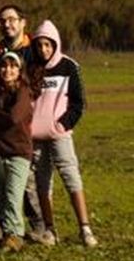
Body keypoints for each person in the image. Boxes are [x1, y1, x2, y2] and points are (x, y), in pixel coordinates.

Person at [27, 20, 98, 247]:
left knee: (70, 177)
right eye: (39, 45)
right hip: (36, 136)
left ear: (55, 44)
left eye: (48, 45)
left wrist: (63, 124)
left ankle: (85, 228)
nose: (43, 50)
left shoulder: (69, 66)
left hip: (59, 134)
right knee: (42, 182)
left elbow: (78, 103)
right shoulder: (30, 67)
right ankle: (50, 230)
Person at [0, 50, 35, 251]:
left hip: (18, 151)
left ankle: (16, 234)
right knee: (2, 196)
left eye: (13, 66)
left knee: (13, 194)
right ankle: (7, 232)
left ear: (20, 69)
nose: (8, 70)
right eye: (4, 66)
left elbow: (14, 117)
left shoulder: (23, 91)